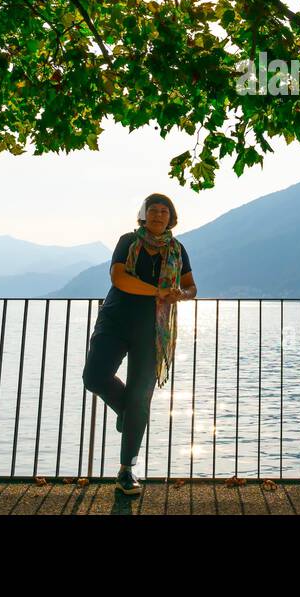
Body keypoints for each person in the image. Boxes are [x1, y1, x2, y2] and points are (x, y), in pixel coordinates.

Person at [82, 193, 197, 496]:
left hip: (153, 330)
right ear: (143, 215)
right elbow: (120, 279)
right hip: (116, 320)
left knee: (140, 397)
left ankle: (126, 471)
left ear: (171, 217)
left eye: (164, 211)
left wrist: (179, 295)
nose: (159, 215)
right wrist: (159, 291)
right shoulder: (128, 242)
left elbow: (190, 286)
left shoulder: (177, 249)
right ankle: (127, 411)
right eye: (153, 210)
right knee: (94, 377)